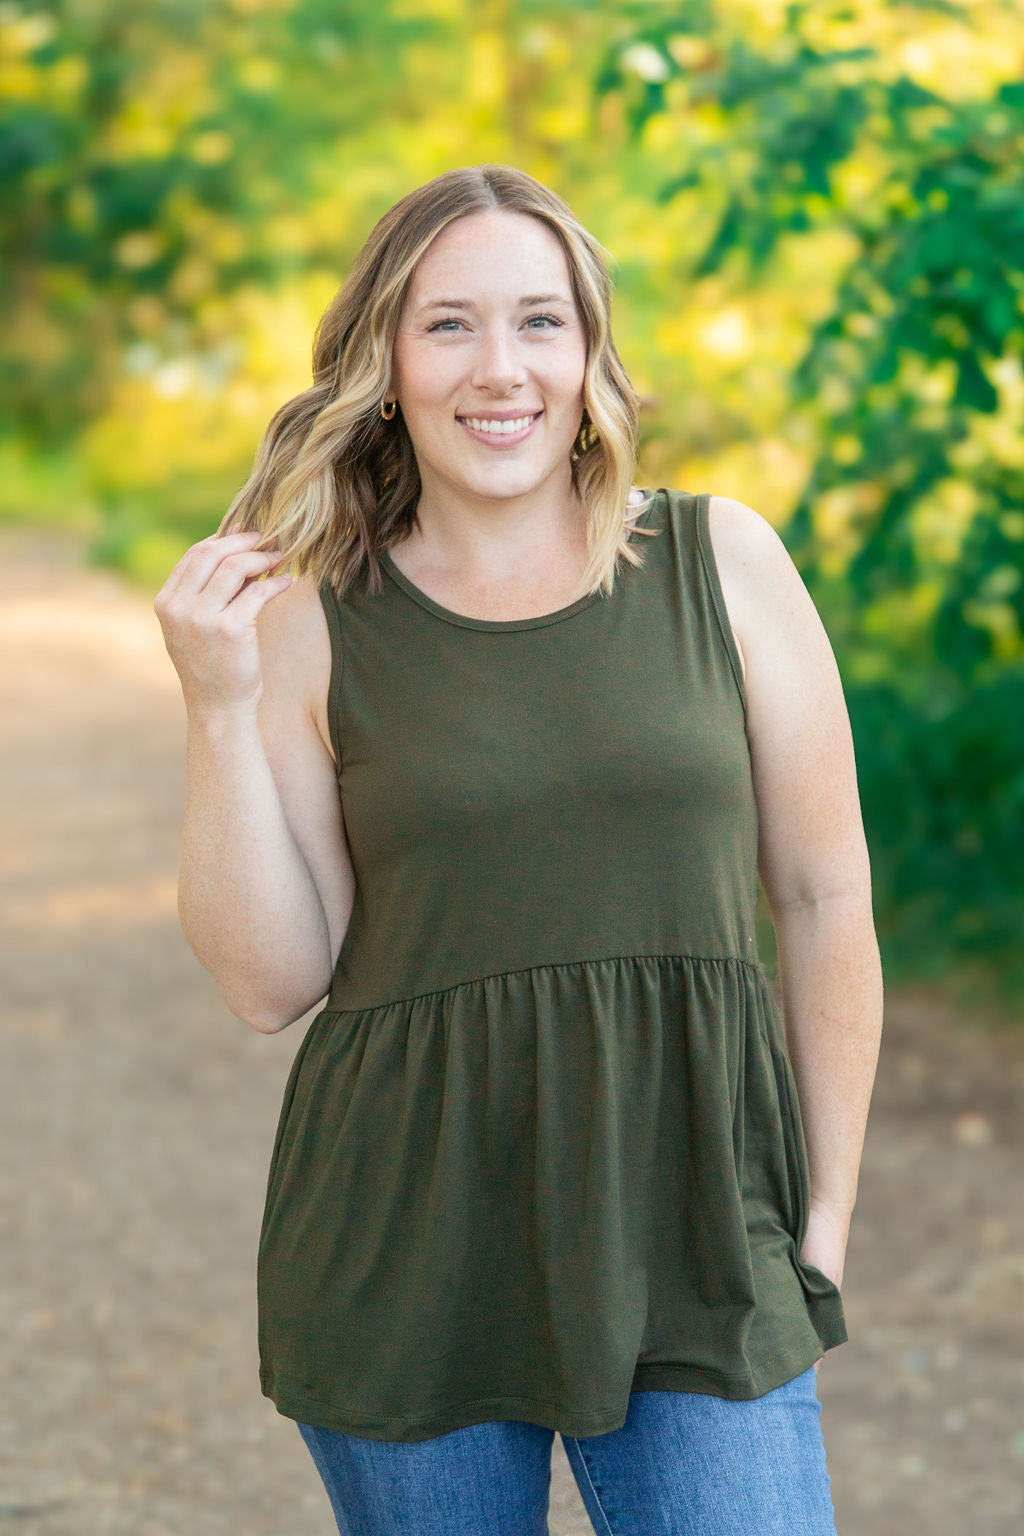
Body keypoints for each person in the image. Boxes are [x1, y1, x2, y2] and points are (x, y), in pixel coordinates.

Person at [154, 164, 884, 1535]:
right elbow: (268, 980)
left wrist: (827, 1210)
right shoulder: (317, 621)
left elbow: (823, 890)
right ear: (385, 361)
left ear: (593, 353)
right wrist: (217, 702)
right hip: (407, 1245)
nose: (501, 368)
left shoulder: (722, 563)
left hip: (696, 1231)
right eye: (450, 325)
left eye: (541, 323)